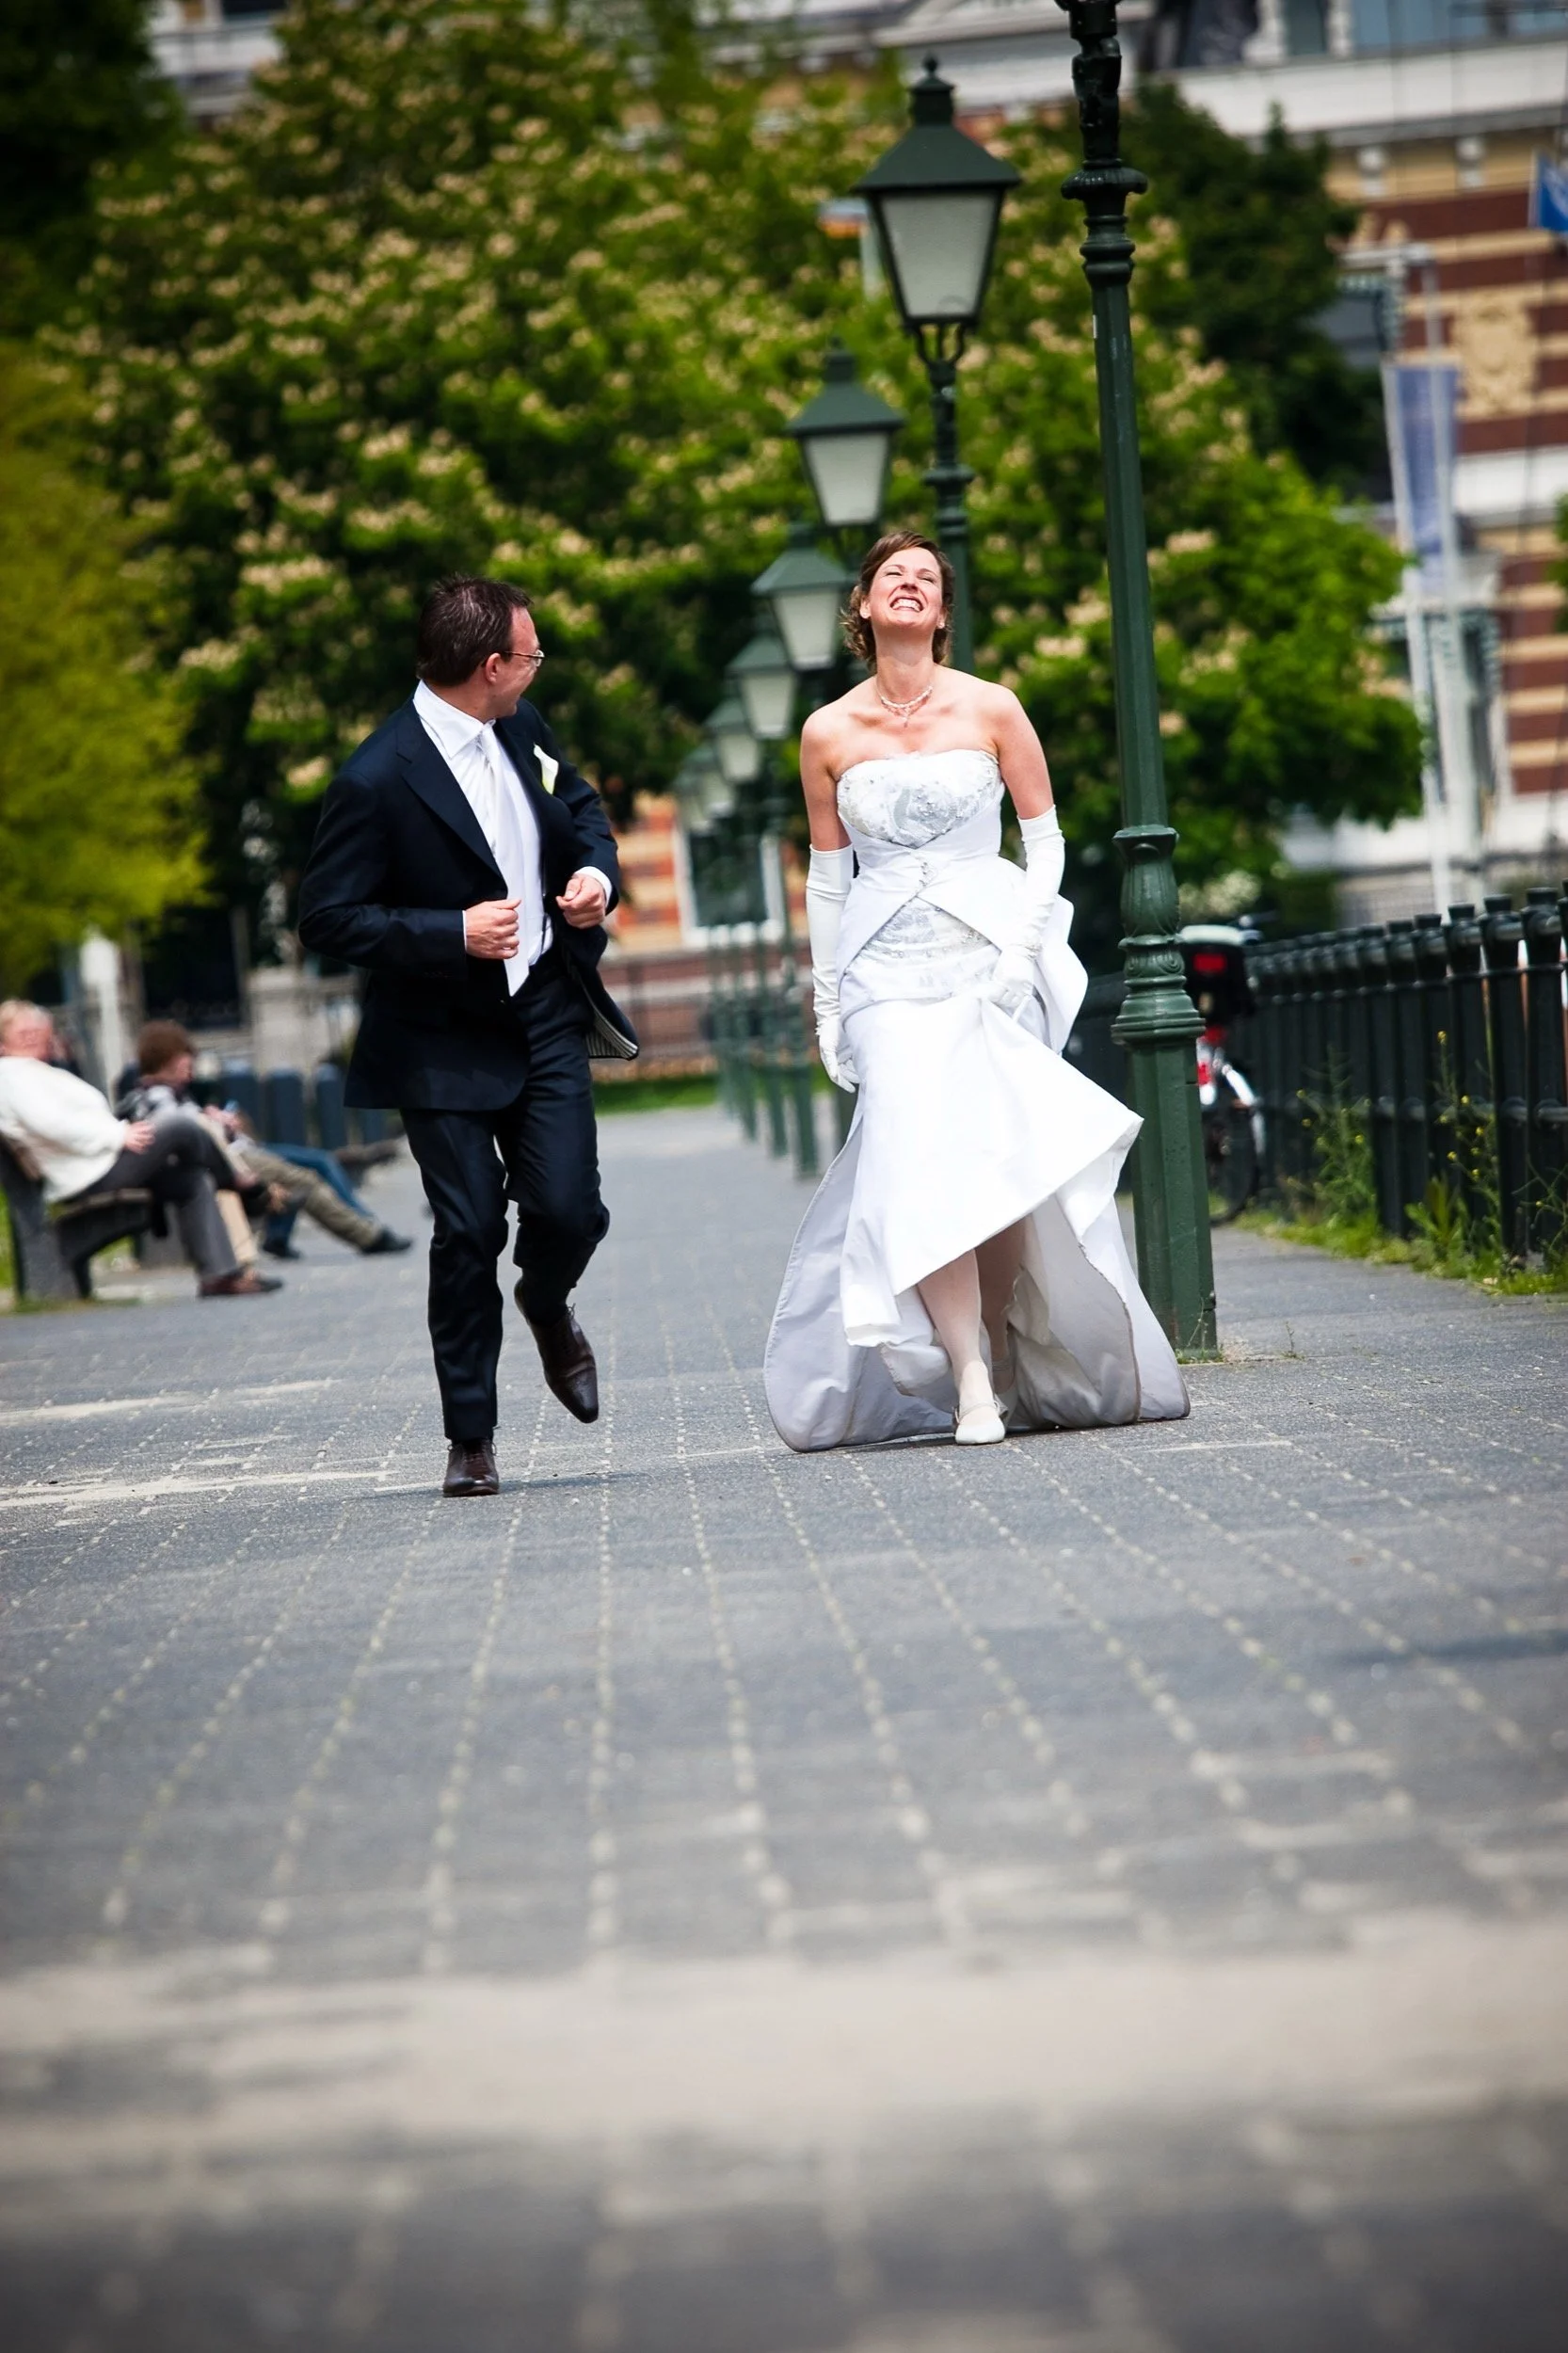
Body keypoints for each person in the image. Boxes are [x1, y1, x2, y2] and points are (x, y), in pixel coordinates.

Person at [764, 531, 1190, 1450]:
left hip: (987, 958)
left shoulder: (993, 706)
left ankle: (995, 1342)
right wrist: (828, 1000)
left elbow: (1046, 844)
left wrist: (1018, 953)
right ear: (866, 608)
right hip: (884, 970)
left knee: (991, 1170)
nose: (910, 585)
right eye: (893, 577)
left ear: (943, 612)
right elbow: (829, 878)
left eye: (926, 577)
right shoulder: (828, 732)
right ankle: (966, 1376)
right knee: (914, 1162)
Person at [296, 576, 636, 1499]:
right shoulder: (373, 778)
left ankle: (544, 1300)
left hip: (546, 1014)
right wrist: (448, 933)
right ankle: (471, 1437)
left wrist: (596, 881)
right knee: (469, 1227)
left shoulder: (526, 731)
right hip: (439, 1040)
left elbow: (580, 814)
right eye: (527, 656)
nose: (535, 669)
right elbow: (325, 917)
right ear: (489, 665)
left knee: (568, 1212)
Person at [0, 1000, 279, 1298]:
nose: (33, 1036)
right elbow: (50, 1125)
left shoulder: (33, 1072)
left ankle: (219, 1275)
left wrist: (116, 1135)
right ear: (3, 1042)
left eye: (37, 1030)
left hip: (97, 1163)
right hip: (88, 1174)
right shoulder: (13, 1075)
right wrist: (118, 1135)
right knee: (177, 1126)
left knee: (192, 1179)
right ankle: (237, 1183)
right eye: (22, 1032)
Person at [121, 1022, 412, 1261]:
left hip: (233, 1155)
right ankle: (367, 1234)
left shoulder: (171, 1093)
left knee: (306, 1173)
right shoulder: (158, 1097)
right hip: (226, 1161)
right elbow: (183, 1137)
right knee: (303, 1178)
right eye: (185, 1059)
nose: (191, 1067)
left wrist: (217, 1120)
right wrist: (216, 1123)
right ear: (168, 1058)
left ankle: (344, 1232)